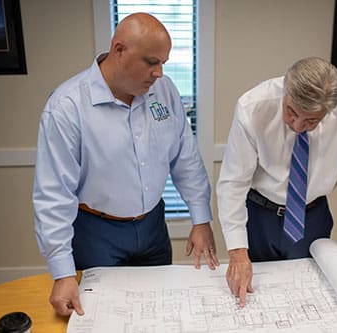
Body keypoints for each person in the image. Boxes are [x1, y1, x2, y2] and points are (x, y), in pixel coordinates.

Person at [33, 13, 219, 317]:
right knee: (103, 316)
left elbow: (185, 157)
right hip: (96, 232)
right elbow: (54, 194)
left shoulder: (164, 90)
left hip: (152, 227)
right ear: (119, 50)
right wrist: (63, 273)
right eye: (151, 62)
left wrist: (201, 220)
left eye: (164, 63)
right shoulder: (68, 106)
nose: (159, 73)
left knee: (160, 311)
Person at [216, 57, 337, 307]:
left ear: (329, 110)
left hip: (311, 217)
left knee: (307, 299)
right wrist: (237, 251)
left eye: (311, 120)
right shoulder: (252, 107)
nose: (298, 126)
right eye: (291, 112)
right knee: (255, 300)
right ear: (285, 92)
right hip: (259, 215)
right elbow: (233, 182)